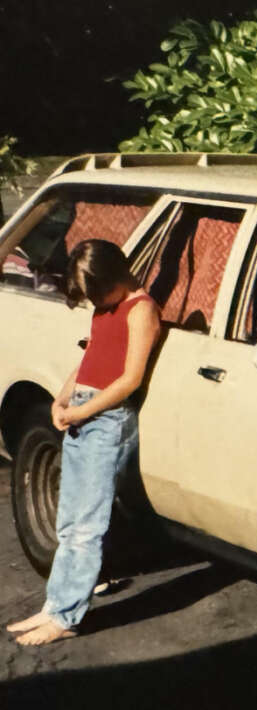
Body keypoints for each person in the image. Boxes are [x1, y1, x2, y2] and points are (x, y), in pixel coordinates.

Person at [5, 239, 160, 646]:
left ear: (116, 276)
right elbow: (90, 360)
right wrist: (62, 399)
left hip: (106, 419)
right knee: (69, 521)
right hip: (82, 411)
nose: (95, 301)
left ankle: (65, 616)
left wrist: (82, 412)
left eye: (98, 292)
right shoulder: (106, 308)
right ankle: (55, 604)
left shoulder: (141, 310)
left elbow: (130, 379)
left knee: (86, 527)